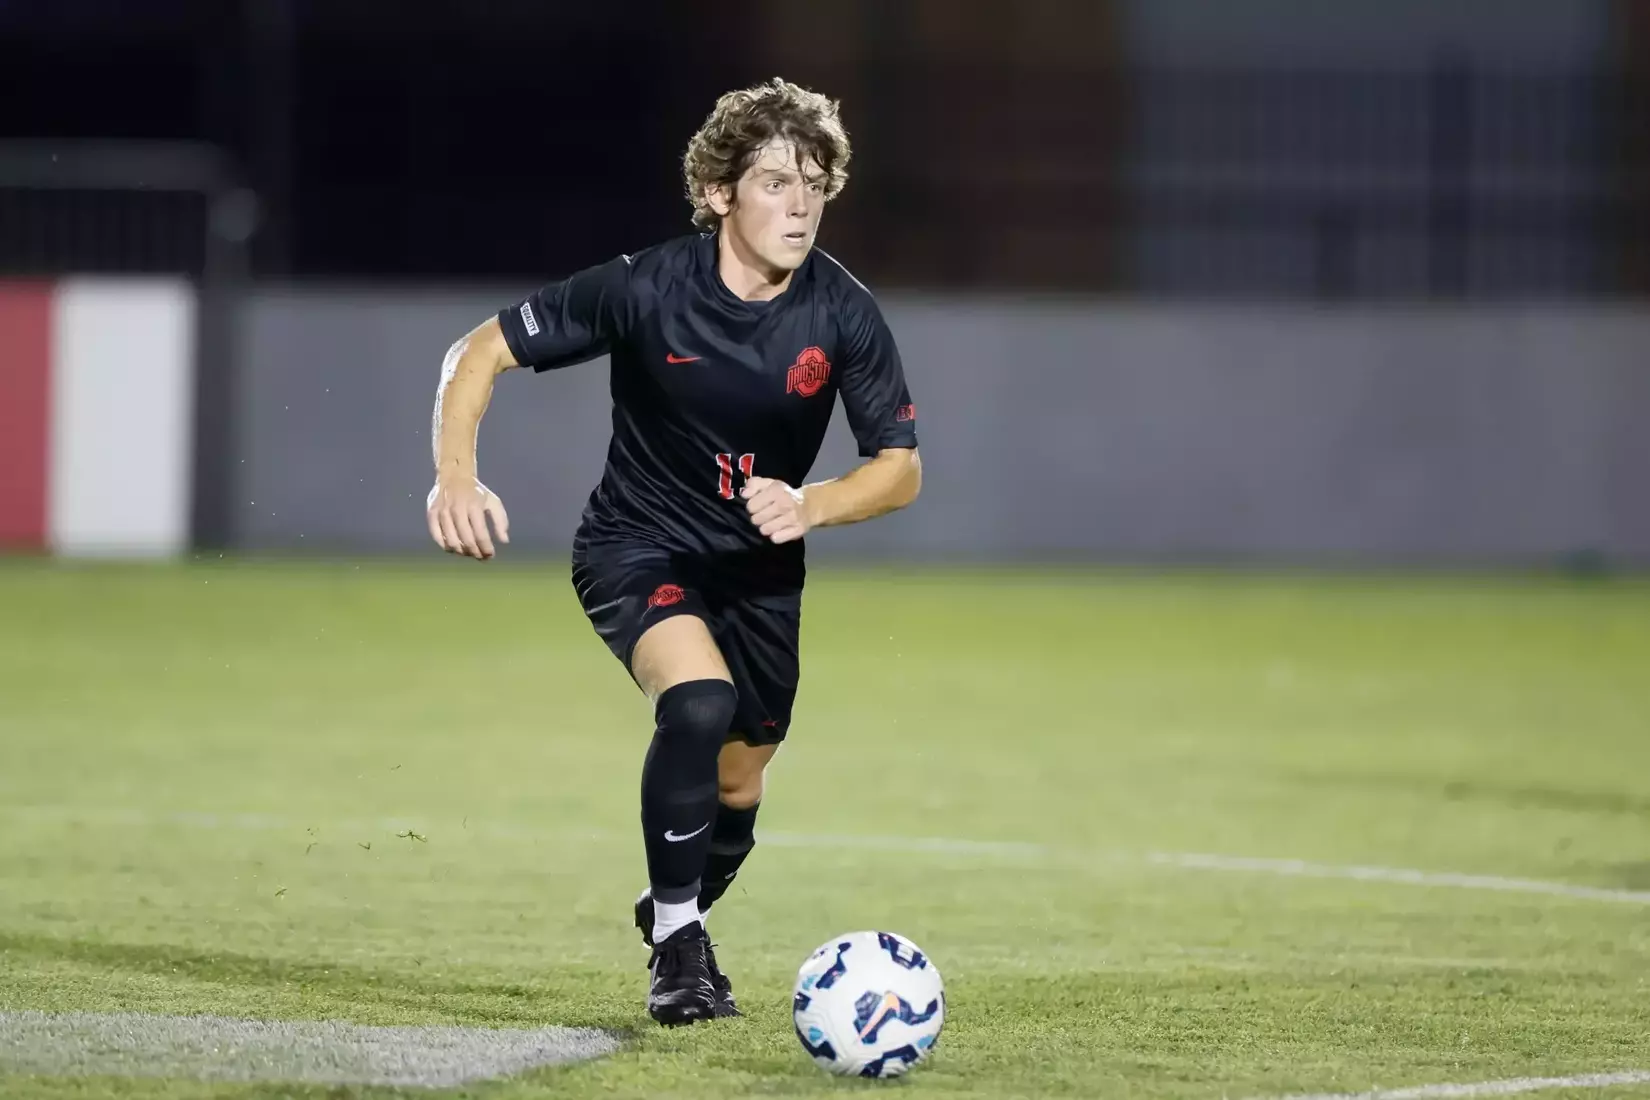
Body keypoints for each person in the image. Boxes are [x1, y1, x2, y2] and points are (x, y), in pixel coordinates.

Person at [424, 77, 921, 1027]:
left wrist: (812, 504)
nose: (801, 202)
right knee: (698, 702)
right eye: (776, 181)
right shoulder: (646, 286)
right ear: (721, 193)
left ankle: (674, 904)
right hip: (635, 545)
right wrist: (456, 475)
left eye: (815, 182)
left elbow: (899, 469)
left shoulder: (841, 311)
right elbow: (478, 351)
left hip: (760, 571)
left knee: (739, 783)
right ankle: (682, 953)